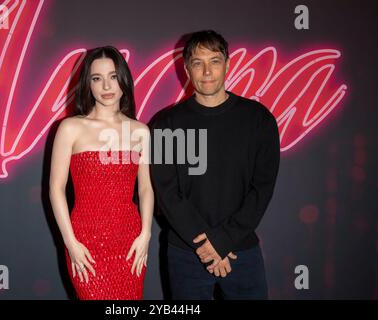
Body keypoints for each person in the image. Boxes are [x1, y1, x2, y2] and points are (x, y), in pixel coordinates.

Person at [150, 30, 280, 299]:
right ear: (186, 69)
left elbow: (262, 188)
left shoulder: (259, 119)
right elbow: (167, 193)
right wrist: (208, 245)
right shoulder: (165, 124)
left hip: (241, 250)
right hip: (186, 253)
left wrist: (223, 241)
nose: (207, 71)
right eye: (198, 62)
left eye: (215, 61)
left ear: (228, 64)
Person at [49, 46, 154, 300]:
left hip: (129, 241)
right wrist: (70, 243)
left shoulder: (140, 131)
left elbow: (145, 188)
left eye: (113, 76)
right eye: (97, 78)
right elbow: (55, 189)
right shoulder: (70, 128)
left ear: (124, 81)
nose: (106, 86)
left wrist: (145, 235)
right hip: (84, 242)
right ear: (88, 84)